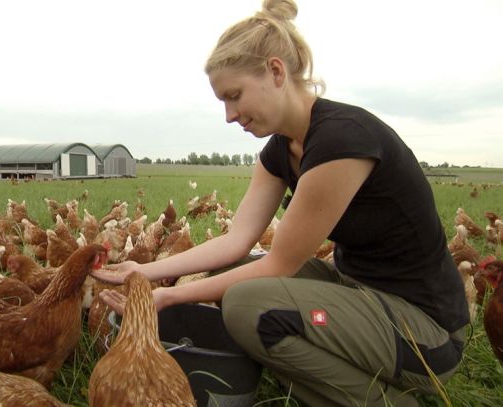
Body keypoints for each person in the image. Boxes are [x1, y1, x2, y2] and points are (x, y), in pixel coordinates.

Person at [91, 0, 469, 405]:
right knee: (233, 267)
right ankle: (310, 373)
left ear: (275, 71)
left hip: (421, 332)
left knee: (247, 305)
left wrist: (167, 296)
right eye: (223, 101)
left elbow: (279, 265)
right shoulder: (280, 151)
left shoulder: (343, 140)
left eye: (234, 96)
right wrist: (144, 270)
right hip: (356, 298)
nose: (229, 115)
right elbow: (234, 241)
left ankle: (387, 401)